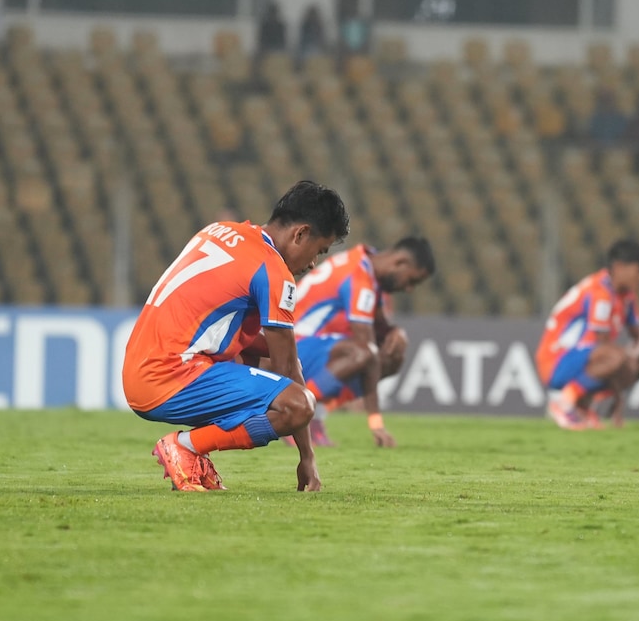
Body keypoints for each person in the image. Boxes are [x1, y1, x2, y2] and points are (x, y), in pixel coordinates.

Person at [122, 180, 350, 492]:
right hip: (170, 377)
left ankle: (193, 455)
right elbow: (288, 369)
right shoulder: (273, 272)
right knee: (298, 405)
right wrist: (307, 457)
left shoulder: (219, 230)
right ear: (300, 234)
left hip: (138, 368)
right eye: (318, 251)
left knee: (258, 358)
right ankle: (186, 447)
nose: (312, 264)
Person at [288, 236, 435, 447]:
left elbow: (380, 328)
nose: (409, 289)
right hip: (290, 347)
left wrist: (395, 332)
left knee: (391, 356)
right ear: (400, 262)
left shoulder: (364, 263)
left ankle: (314, 414)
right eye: (412, 280)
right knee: (362, 353)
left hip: (302, 347)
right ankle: (298, 412)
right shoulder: (359, 277)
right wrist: (376, 422)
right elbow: (367, 350)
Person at [535, 238, 639, 430]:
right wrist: (619, 395)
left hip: (585, 357)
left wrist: (632, 360)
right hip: (557, 361)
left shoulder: (627, 296)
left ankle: (582, 406)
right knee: (616, 357)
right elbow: (601, 344)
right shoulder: (599, 292)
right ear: (619, 267)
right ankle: (565, 401)